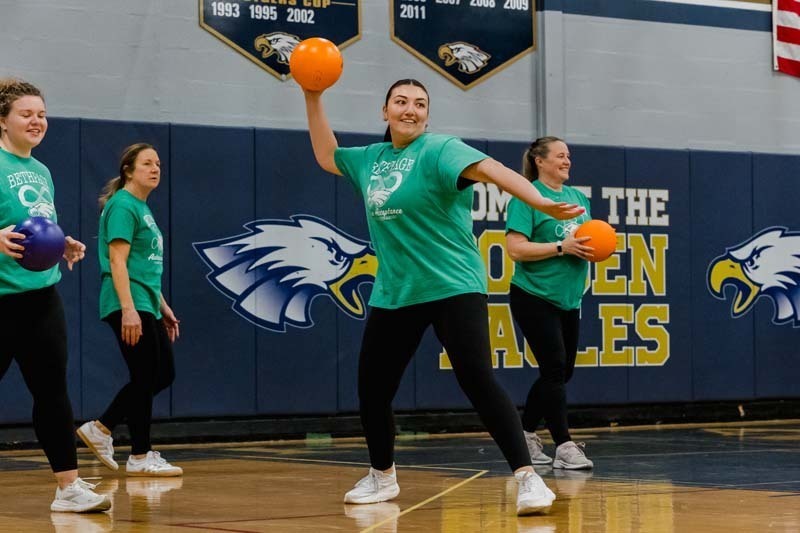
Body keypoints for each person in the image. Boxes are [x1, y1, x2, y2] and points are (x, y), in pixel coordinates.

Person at [302, 78, 585, 515]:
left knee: (476, 378)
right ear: (385, 112)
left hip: (454, 283)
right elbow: (326, 154)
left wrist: (541, 200)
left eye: (419, 103)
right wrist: (313, 95)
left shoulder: (440, 150)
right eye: (400, 102)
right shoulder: (370, 161)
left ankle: (528, 479)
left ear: (428, 115)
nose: (410, 110)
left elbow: (495, 171)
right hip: (397, 290)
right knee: (373, 389)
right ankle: (382, 476)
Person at [0, 78, 110, 512]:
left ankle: (69, 488)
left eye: (42, 114)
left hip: (42, 297)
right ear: (3, 121)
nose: (37, 121)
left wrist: (61, 243)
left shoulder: (42, 170)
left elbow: (38, 226)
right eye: (26, 114)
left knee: (52, 392)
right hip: (1, 300)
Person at [76, 143, 182, 478]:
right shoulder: (123, 205)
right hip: (127, 302)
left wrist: (162, 305)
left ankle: (104, 429)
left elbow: (144, 266)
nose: (155, 169)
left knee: (160, 373)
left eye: (158, 164)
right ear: (128, 170)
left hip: (145, 301)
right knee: (147, 375)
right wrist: (129, 310)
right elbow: (118, 261)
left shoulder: (141, 207)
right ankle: (137, 452)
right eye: (147, 163)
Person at [505, 136, 594, 470]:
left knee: (561, 371)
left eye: (569, 155)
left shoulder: (577, 197)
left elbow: (587, 240)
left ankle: (526, 434)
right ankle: (565, 446)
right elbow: (516, 249)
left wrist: (594, 247)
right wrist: (561, 247)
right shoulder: (526, 198)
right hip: (533, 295)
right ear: (539, 161)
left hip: (568, 298)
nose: (567, 160)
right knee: (555, 365)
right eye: (560, 155)